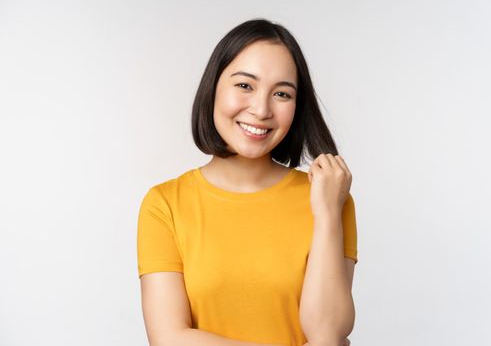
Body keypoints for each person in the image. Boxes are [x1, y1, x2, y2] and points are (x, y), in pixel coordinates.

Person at [137, 18, 357, 346]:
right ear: (213, 88)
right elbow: (169, 339)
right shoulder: (165, 204)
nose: (261, 108)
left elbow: (328, 333)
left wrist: (326, 215)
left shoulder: (328, 199)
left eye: (282, 93)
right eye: (244, 85)